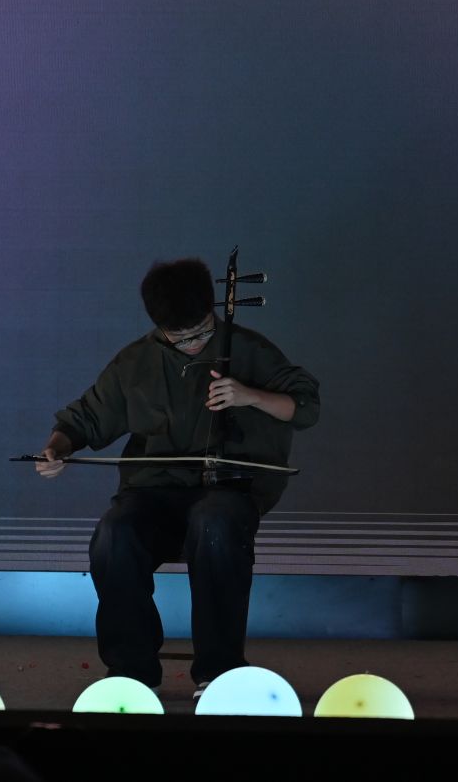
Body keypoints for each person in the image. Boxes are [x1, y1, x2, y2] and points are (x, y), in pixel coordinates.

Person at [35, 257, 321, 693]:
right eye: (178, 336)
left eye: (201, 332)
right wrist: (56, 449)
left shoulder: (247, 348)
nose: (191, 344)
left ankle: (219, 670)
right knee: (113, 535)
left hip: (226, 488)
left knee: (215, 525)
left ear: (212, 310)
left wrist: (250, 395)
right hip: (153, 491)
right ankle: (131, 671)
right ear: (159, 327)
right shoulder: (135, 362)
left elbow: (305, 407)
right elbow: (84, 419)